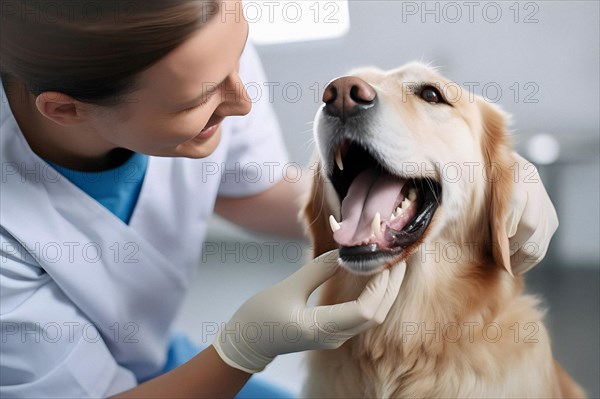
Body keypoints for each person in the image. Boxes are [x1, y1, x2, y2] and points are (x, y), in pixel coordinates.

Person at [0, 1, 558, 398]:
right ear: (65, 109)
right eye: (201, 98)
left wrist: (489, 178)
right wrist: (243, 347)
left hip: (158, 355)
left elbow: (253, 190)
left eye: (239, 56)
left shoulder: (206, 48)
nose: (242, 100)